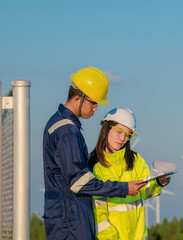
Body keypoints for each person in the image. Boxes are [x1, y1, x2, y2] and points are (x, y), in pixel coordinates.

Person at [42, 67, 147, 240]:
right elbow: (79, 182)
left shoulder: (62, 124)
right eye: (93, 102)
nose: (96, 108)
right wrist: (124, 188)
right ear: (78, 98)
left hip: (66, 216)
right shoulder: (67, 131)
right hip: (70, 219)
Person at [89, 107, 171, 240]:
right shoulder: (96, 167)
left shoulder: (135, 160)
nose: (123, 138)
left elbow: (146, 192)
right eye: (119, 132)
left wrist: (158, 182)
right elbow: (98, 213)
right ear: (107, 128)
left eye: (128, 135)